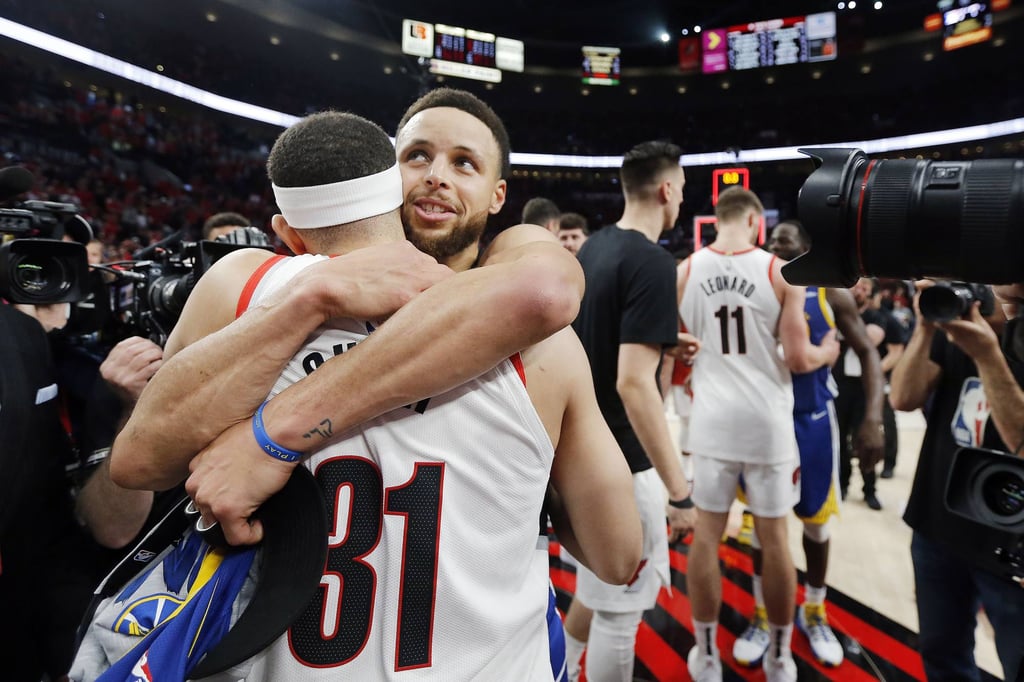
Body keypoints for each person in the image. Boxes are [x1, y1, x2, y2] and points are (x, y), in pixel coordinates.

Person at [111, 104, 642, 678]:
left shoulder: (246, 288)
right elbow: (617, 556)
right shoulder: (545, 349)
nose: (436, 176)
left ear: (498, 197)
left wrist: (271, 434)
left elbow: (616, 554)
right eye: (418, 156)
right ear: (384, 179)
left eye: (464, 163)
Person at [678, 189, 839, 682]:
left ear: (716, 220)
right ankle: (780, 658)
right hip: (767, 425)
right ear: (755, 221)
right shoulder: (781, 273)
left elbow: (676, 351)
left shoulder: (683, 271)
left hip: (710, 422)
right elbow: (800, 358)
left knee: (706, 538)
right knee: (775, 540)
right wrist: (829, 351)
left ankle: (706, 655)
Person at [566, 139, 697, 682]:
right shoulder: (652, 260)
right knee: (621, 619)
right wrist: (680, 493)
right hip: (624, 467)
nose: (682, 199)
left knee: (594, 593)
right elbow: (634, 383)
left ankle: (564, 669)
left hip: (580, 460)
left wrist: (661, 340)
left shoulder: (594, 248)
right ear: (666, 190)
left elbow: (593, 340)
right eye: (682, 189)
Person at [731, 219, 884, 669]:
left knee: (816, 526)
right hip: (763, 424)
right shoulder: (752, 287)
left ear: (806, 247)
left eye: (787, 241)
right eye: (772, 242)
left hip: (812, 422)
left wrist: (873, 417)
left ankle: (814, 609)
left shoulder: (829, 292)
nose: (777, 247)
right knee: (765, 528)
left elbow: (868, 352)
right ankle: (764, 614)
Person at [889, 280, 1024, 681]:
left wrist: (987, 356)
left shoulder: (1011, 342)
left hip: (1009, 541)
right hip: (940, 523)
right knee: (941, 651)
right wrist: (925, 326)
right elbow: (902, 398)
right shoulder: (956, 333)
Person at [833, 276, 905, 509]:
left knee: (865, 438)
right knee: (840, 438)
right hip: (840, 383)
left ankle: (869, 489)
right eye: (855, 286)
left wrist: (842, 333)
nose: (859, 290)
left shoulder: (876, 316)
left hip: (865, 387)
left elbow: (871, 339)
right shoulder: (836, 311)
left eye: (864, 287)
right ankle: (842, 483)